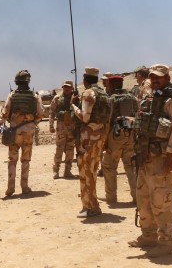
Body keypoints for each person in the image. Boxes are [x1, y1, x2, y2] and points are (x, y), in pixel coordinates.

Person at [129, 64, 172, 258]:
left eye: (159, 78)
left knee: (161, 199)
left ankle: (167, 241)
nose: (155, 80)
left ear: (167, 79)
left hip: (161, 158)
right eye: (153, 77)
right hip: (145, 156)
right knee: (143, 197)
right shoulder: (150, 97)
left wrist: (171, 157)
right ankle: (148, 235)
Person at [0, 70, 44, 197]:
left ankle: (10, 188)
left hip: (14, 132)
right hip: (29, 131)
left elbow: (5, 113)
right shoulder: (35, 95)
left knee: (12, 160)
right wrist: (33, 123)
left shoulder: (12, 95)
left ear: (17, 81)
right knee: (26, 160)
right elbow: (41, 113)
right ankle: (24, 186)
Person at [71, 67, 111, 217]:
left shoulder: (89, 93)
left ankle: (92, 207)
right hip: (100, 135)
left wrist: (73, 106)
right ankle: (88, 204)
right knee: (92, 169)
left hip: (89, 137)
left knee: (87, 170)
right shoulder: (104, 94)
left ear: (85, 80)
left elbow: (85, 117)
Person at [102, 75, 138, 204]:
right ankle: (136, 196)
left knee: (109, 166)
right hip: (131, 134)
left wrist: (104, 141)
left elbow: (108, 120)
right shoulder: (132, 97)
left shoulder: (111, 99)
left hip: (116, 135)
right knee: (131, 165)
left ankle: (111, 197)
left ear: (111, 85)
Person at [49, 80, 77, 179]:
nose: (66, 88)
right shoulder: (57, 98)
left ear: (72, 88)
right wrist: (51, 125)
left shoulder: (75, 99)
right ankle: (56, 170)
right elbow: (52, 112)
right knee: (59, 149)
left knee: (70, 150)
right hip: (61, 127)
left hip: (72, 127)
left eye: (68, 87)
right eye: (65, 87)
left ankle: (67, 171)